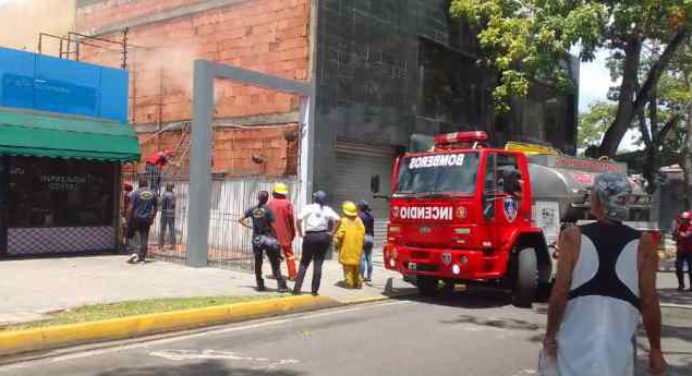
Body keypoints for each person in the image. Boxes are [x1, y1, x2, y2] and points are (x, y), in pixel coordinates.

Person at [543, 172, 665, 376]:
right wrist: (655, 349)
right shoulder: (643, 244)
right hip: (616, 354)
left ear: (598, 200)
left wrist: (550, 335)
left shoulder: (573, 237)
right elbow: (649, 301)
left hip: (573, 351)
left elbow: (560, 292)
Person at [239, 191, 288, 292]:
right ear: (267, 199)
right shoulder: (268, 210)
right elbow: (273, 225)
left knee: (258, 261)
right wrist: (276, 237)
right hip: (268, 238)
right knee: (274, 261)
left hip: (256, 239)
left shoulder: (253, 209)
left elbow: (240, 219)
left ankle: (260, 284)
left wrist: (251, 227)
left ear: (258, 198)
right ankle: (281, 285)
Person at [293, 191, 341, 296]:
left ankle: (297, 289)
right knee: (318, 263)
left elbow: (298, 219)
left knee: (304, 263)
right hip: (323, 236)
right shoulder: (327, 209)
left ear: (315, 199)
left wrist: (301, 233)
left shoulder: (309, 208)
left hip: (310, 236)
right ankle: (314, 291)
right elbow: (338, 220)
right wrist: (332, 233)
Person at [267, 183, 297, 281]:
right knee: (289, 255)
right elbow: (291, 219)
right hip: (285, 234)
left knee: (274, 255)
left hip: (273, 234)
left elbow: (267, 220)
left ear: (275, 192)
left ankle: (276, 274)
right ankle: (293, 275)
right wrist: (293, 232)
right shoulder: (288, 203)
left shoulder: (270, 203)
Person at [335, 201, 366, 289]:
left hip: (347, 249)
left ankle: (349, 285)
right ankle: (358, 283)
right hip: (357, 249)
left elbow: (340, 234)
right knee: (357, 268)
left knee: (348, 269)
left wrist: (336, 244)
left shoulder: (344, 221)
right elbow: (363, 233)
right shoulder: (359, 220)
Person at [127, 179, 158, 264]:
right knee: (144, 237)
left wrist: (128, 218)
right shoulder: (153, 193)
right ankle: (142, 258)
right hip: (147, 218)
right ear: (147, 183)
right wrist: (152, 218)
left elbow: (130, 207)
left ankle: (135, 252)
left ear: (139, 184)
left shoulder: (135, 193)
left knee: (134, 235)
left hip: (136, 218)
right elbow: (155, 208)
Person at [673, 211, 692, 291]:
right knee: (678, 268)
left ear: (688, 220)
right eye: (681, 218)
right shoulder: (679, 226)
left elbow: (685, 236)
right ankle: (681, 285)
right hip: (680, 250)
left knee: (691, 269)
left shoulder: (690, 227)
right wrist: (676, 228)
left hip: (690, 251)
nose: (682, 220)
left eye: (684, 219)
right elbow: (674, 237)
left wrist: (678, 232)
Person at [358, 200, 375, 282]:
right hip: (370, 237)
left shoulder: (359, 216)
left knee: (362, 258)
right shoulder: (371, 216)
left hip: (362, 237)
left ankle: (361, 277)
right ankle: (369, 277)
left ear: (361, 207)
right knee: (369, 257)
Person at [158, 183, 176, 251]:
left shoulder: (165, 195)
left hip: (165, 213)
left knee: (162, 229)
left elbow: (160, 203)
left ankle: (161, 244)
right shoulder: (174, 195)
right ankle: (173, 244)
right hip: (172, 213)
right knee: (172, 229)